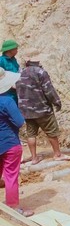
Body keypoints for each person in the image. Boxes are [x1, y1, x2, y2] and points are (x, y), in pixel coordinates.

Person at [15, 49, 70, 164]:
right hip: (42, 109)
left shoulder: (20, 72)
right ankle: (57, 154)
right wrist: (57, 102)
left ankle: (34, 157)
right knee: (51, 131)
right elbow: (49, 90)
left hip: (26, 110)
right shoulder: (41, 72)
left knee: (31, 133)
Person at [0, 67, 33, 216]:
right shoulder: (7, 101)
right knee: (11, 176)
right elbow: (20, 122)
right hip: (10, 143)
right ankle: (13, 207)